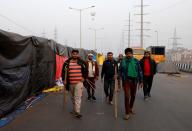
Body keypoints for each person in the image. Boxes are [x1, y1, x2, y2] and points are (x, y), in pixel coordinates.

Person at [62, 49, 87, 118]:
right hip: (70, 83)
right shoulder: (67, 63)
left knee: (77, 97)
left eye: (76, 54)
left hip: (79, 82)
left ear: (78, 54)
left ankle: (77, 112)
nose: (75, 55)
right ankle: (74, 109)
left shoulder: (82, 62)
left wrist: (84, 77)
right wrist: (64, 80)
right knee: (73, 97)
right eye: (73, 54)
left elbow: (86, 71)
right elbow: (63, 72)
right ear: (71, 54)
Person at [120, 48, 143, 120]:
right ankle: (127, 113)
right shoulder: (123, 61)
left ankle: (130, 107)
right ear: (125, 54)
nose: (129, 55)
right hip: (126, 80)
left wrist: (141, 81)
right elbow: (120, 71)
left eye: (130, 53)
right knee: (127, 96)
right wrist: (117, 76)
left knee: (133, 95)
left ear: (132, 54)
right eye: (127, 53)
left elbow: (140, 71)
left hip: (134, 81)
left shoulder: (136, 61)